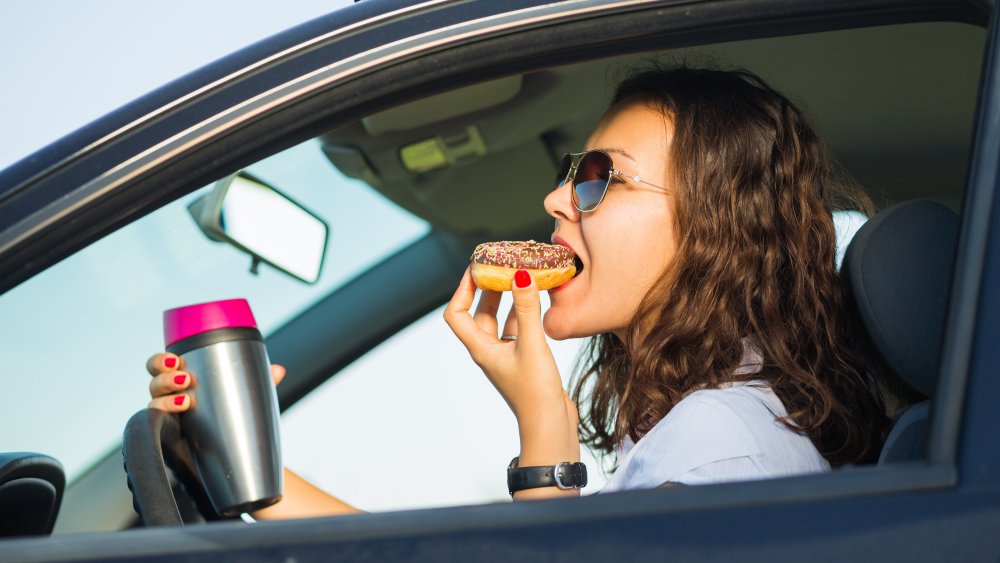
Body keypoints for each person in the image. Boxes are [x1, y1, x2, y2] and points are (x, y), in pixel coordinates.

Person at [145, 66, 891, 517]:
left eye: (600, 178)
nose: (557, 198)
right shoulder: (706, 427)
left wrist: (545, 424)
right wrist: (241, 464)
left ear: (713, 227)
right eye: (572, 172)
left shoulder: (724, 444)